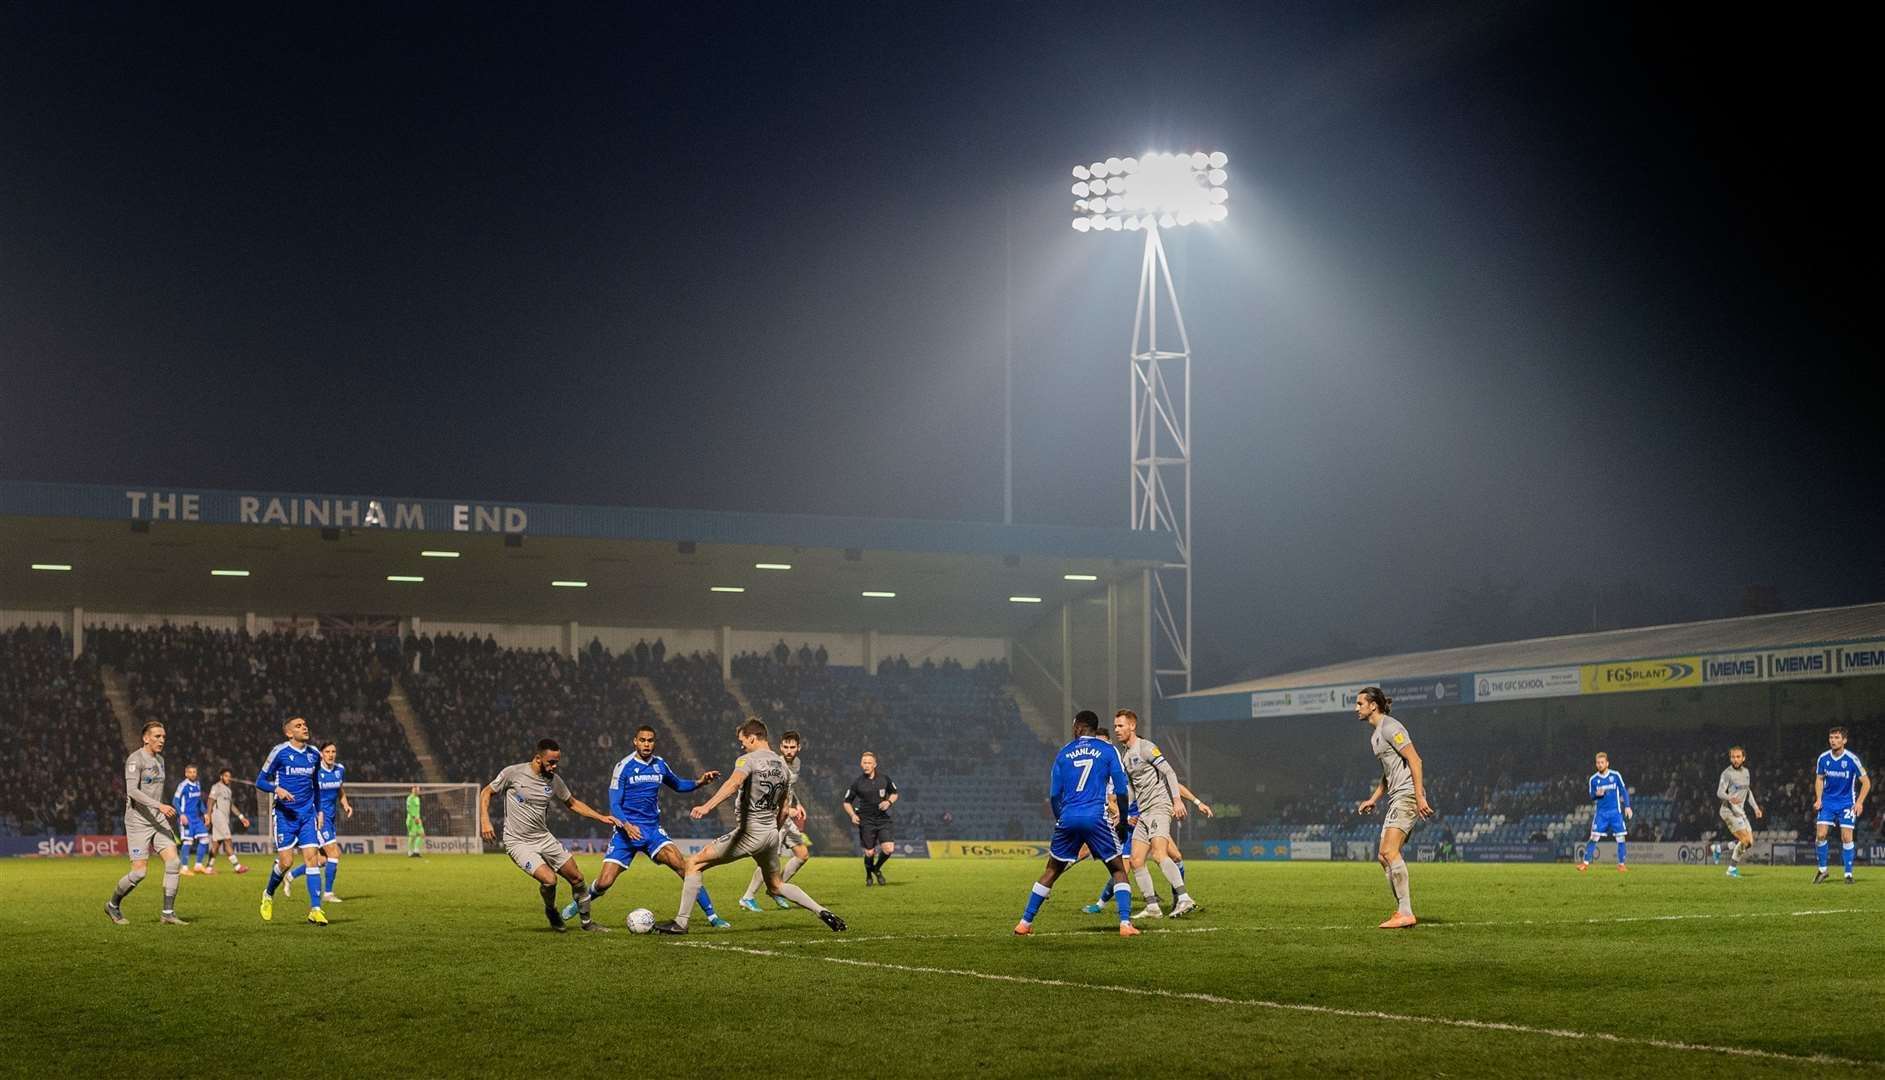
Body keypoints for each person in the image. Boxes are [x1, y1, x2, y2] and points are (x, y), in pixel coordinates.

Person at [654, 718, 844, 935]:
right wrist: (772, 831)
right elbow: (783, 808)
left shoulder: (747, 760)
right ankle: (822, 911)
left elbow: (733, 783)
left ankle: (681, 923)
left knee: (694, 863)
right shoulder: (783, 766)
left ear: (752, 737)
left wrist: (707, 806)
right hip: (771, 833)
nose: (741, 745)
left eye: (742, 740)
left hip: (749, 832)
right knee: (776, 886)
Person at [561, 725, 730, 928]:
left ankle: (713, 917)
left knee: (685, 867)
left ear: (654, 743)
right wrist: (626, 825)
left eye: (650, 740)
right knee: (605, 881)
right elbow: (614, 804)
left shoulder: (660, 765)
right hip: (625, 832)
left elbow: (677, 785)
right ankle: (579, 901)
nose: (647, 744)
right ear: (635, 741)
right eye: (643, 740)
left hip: (652, 830)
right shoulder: (623, 766)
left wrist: (700, 782)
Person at [1014, 710, 1137, 937]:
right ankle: (1125, 924)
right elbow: (1121, 788)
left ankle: (1024, 922)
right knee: (1118, 869)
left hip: (1068, 817)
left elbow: (1054, 794)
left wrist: (1060, 817)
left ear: (1080, 727)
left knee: (1052, 870)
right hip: (1096, 817)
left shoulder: (1063, 753)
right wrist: (1121, 820)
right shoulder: (1108, 750)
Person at [480, 738, 623, 932]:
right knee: (549, 880)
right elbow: (486, 792)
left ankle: (587, 924)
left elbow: (572, 803)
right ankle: (551, 910)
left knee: (578, 878)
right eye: (551, 762)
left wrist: (600, 817)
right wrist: (485, 821)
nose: (555, 766)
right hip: (518, 842)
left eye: (557, 762)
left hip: (543, 837)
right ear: (538, 759)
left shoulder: (554, 780)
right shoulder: (513, 773)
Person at [1355, 687, 1433, 929]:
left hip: (1407, 795)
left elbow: (1415, 759)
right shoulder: (1375, 736)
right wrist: (1374, 799)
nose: (1356, 708)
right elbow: (1388, 775)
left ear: (1373, 706)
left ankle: (1406, 912)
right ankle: (1403, 909)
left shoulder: (1391, 727)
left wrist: (1419, 796)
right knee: (1382, 857)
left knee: (1390, 853)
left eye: (1359, 704)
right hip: (1396, 797)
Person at [1110, 709, 1197, 918]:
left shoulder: (1147, 748)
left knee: (1159, 854)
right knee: (1136, 861)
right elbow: (1132, 788)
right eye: (1115, 726)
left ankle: (1185, 898)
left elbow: (1169, 772)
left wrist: (1176, 801)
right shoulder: (1126, 755)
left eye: (1120, 725)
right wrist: (1121, 812)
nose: (1117, 729)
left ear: (1132, 726)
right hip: (1144, 812)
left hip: (1159, 807)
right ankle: (1152, 906)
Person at [106, 720, 188, 925]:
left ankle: (167, 913)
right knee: (140, 872)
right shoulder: (135, 760)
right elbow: (132, 791)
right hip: (138, 822)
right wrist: (160, 806)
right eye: (157, 736)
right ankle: (113, 905)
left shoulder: (160, 760)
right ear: (146, 738)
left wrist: (160, 808)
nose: (161, 740)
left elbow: (156, 790)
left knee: (174, 862)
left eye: (163, 737)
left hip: (158, 819)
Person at [256, 716, 329, 925]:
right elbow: (260, 781)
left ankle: (315, 909)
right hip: (285, 815)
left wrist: (320, 810)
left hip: (307, 815)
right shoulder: (279, 752)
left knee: (312, 858)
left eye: (305, 724)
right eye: (298, 726)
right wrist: (276, 788)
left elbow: (316, 785)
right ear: (289, 733)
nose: (304, 727)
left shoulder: (314, 754)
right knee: (286, 862)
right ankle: (268, 894)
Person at [741, 729, 811, 912]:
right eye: (785, 747)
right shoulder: (777, 764)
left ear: (799, 747)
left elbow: (790, 788)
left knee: (802, 855)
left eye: (792, 747)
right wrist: (789, 809)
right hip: (775, 817)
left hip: (787, 816)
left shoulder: (797, 763)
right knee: (770, 860)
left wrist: (798, 804)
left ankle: (776, 889)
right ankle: (748, 897)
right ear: (780, 747)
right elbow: (773, 792)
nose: (789, 750)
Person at [288, 742, 351, 903]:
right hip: (318, 819)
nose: (331, 754)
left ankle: (290, 876)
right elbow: (307, 794)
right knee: (334, 853)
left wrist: (345, 804)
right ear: (321, 754)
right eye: (327, 751)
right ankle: (328, 894)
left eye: (333, 751)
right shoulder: (314, 771)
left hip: (331, 819)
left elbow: (340, 790)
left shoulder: (340, 770)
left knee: (322, 860)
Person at [1813, 726, 1870, 884]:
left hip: (1846, 803)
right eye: (1831, 737)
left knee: (1846, 837)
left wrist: (1859, 802)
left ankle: (1848, 874)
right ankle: (1823, 870)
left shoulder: (1852, 759)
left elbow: (1866, 783)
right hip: (1828, 803)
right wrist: (1819, 799)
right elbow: (1819, 779)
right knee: (1821, 835)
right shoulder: (1823, 758)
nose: (1833, 740)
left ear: (1844, 740)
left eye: (1837, 738)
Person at [843, 751, 898, 885]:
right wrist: (852, 815)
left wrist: (889, 802)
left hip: (882, 819)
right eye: (864, 763)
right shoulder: (858, 783)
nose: (866, 765)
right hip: (866, 820)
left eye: (869, 763)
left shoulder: (884, 779)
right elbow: (846, 802)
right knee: (869, 853)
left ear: (875, 764)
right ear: (861, 765)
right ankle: (869, 875)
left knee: (889, 849)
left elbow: (894, 793)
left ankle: (876, 868)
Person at [1580, 751, 1631, 873]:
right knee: (1593, 837)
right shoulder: (1593, 779)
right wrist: (1597, 795)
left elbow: (1623, 791)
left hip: (1615, 812)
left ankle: (1621, 864)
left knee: (1620, 838)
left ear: (1607, 763)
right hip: (1601, 813)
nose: (1600, 765)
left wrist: (1627, 806)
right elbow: (1592, 796)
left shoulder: (1615, 775)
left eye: (1602, 762)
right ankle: (1585, 864)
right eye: (1598, 763)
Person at [1717, 745, 1763, 878]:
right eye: (1733, 757)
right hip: (1728, 811)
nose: (1735, 759)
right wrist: (1729, 797)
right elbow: (1719, 792)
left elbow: (1748, 792)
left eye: (1738, 757)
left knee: (1749, 842)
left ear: (1744, 758)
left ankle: (1719, 848)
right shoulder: (1727, 773)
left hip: (1740, 812)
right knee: (1744, 839)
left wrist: (1755, 808)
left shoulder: (1746, 772)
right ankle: (1731, 870)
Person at [205, 768, 251, 875]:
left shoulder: (228, 790)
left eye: (229, 776)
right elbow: (210, 801)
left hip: (224, 818)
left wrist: (241, 817)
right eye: (226, 776)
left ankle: (208, 868)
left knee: (216, 844)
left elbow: (231, 806)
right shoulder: (216, 787)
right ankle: (237, 867)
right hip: (218, 816)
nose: (228, 778)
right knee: (228, 841)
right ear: (221, 776)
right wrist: (208, 816)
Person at [171, 764, 210, 876]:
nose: (192, 774)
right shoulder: (182, 785)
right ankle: (184, 868)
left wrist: (205, 813)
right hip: (186, 818)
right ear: (186, 773)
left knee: (205, 839)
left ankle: (198, 865)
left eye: (194, 772)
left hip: (196, 818)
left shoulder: (197, 784)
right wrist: (181, 814)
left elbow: (199, 801)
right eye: (190, 772)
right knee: (188, 841)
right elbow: (175, 801)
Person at [406, 785, 425, 857]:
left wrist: (418, 818)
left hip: (417, 819)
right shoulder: (410, 798)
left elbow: (417, 810)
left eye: (418, 790)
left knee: (422, 834)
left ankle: (416, 851)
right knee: (412, 836)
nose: (417, 791)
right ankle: (410, 852)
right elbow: (409, 809)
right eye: (416, 790)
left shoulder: (418, 798)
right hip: (412, 819)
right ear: (412, 790)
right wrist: (414, 818)